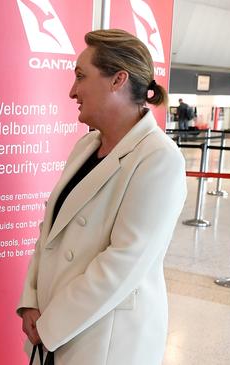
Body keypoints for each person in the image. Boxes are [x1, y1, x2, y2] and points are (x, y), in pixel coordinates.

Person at [17, 29, 187, 365]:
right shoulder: (86, 145)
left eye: (81, 76)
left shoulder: (158, 158)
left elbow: (123, 263)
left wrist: (51, 325)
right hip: (54, 329)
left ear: (118, 80)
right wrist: (31, 301)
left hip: (104, 341)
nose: (71, 91)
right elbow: (50, 232)